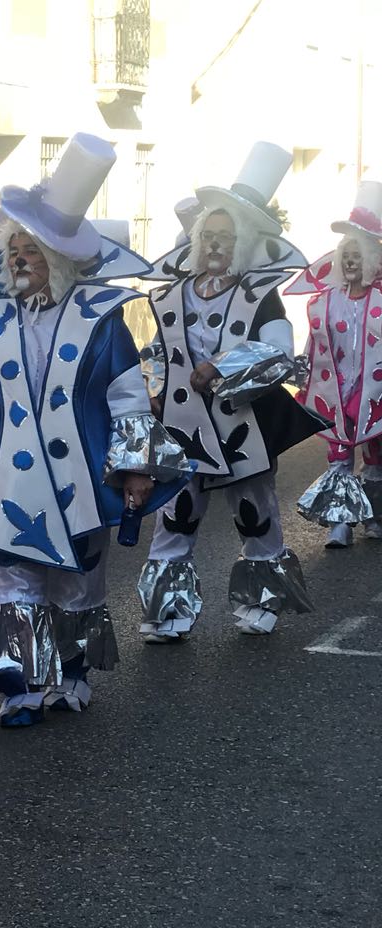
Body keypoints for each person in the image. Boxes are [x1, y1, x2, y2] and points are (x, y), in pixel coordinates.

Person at [0, 133, 189, 725]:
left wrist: (135, 467)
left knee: (78, 582)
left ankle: (71, 672)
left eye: (32, 249)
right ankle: (19, 687)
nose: (19, 259)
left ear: (61, 259)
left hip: (83, 477)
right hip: (12, 482)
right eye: (13, 248)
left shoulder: (102, 320)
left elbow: (127, 398)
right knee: (11, 580)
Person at [137, 143, 324, 640]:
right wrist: (152, 387)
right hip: (183, 425)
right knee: (176, 515)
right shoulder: (173, 294)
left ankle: (262, 600)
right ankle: (167, 610)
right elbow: (156, 349)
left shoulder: (260, 295)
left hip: (241, 426)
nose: (216, 244)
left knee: (254, 514)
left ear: (242, 243)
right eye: (209, 235)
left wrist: (221, 367)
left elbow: (279, 352)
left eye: (226, 236)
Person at [292, 180, 382, 545]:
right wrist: (303, 373)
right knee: (338, 453)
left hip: (374, 386)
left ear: (371, 260)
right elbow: (314, 342)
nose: (350, 261)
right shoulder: (326, 301)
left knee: (375, 452)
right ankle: (339, 523)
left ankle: (374, 515)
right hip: (336, 385)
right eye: (346, 254)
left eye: (357, 255)